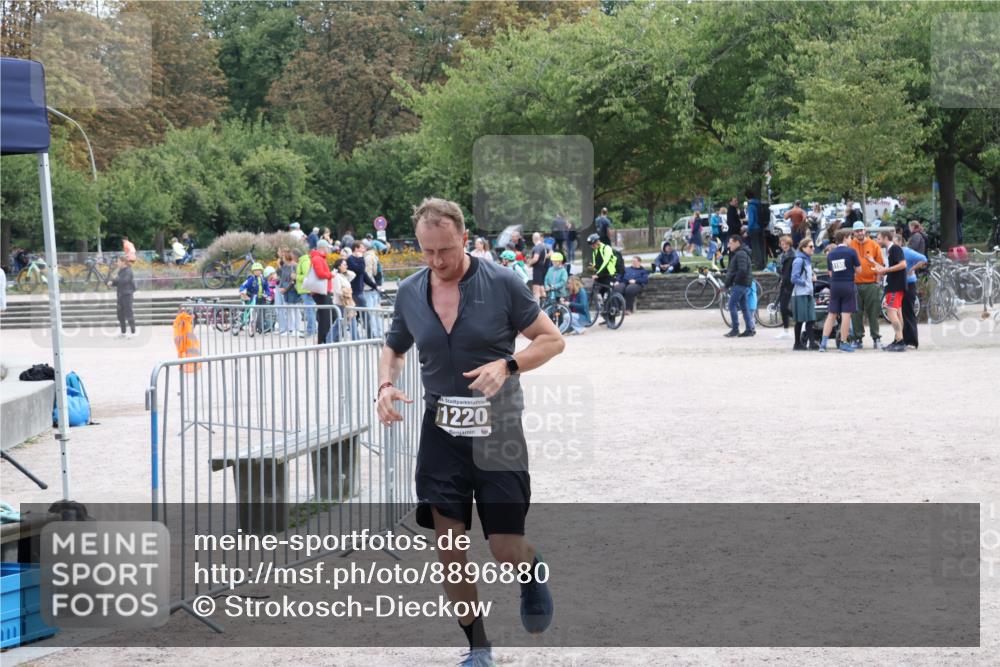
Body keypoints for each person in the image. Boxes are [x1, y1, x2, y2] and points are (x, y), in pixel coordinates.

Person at [377, 197, 563, 666]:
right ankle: (478, 647)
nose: (438, 261)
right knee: (451, 549)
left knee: (503, 547)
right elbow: (395, 348)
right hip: (441, 435)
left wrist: (508, 364)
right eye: (427, 251)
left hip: (497, 431)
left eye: (446, 250)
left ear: (464, 238)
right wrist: (385, 384)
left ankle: (531, 566)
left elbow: (552, 339)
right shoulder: (410, 291)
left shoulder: (501, 282)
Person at [819, 229, 861, 352]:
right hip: (847, 284)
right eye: (850, 237)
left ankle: (823, 343)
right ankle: (843, 342)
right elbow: (859, 270)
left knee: (831, 314)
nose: (851, 240)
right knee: (846, 314)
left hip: (835, 285)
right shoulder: (851, 252)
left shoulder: (831, 254)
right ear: (845, 238)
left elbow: (830, 273)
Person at [847, 221, 885, 349]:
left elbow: (880, 264)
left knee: (873, 313)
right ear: (854, 233)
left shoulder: (874, 245)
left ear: (865, 231)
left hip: (871, 284)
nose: (860, 233)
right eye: (857, 231)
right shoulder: (850, 245)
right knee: (856, 313)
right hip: (855, 284)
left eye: (861, 230)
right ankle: (857, 339)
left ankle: (876, 338)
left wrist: (877, 282)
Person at [872, 231, 908, 352]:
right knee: (897, 313)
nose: (877, 241)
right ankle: (898, 339)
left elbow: (903, 264)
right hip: (894, 285)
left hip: (895, 286)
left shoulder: (894, 249)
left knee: (891, 312)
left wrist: (887, 270)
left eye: (879, 238)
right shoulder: (890, 250)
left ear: (885, 238)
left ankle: (900, 341)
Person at [723, 235, 755, 337]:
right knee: (744, 307)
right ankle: (749, 329)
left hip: (740, 284)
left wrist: (734, 281)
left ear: (737, 243)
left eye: (731, 243)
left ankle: (735, 329)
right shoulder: (740, 253)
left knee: (731, 305)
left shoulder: (740, 253)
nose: (729, 245)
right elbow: (737, 269)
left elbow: (742, 270)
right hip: (743, 283)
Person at [790, 237, 818, 351]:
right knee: (800, 319)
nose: (813, 248)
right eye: (811, 246)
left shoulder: (806, 259)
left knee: (810, 319)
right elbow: (794, 278)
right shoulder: (799, 260)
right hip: (800, 294)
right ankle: (797, 344)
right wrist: (807, 282)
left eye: (813, 246)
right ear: (803, 248)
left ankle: (811, 343)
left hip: (807, 293)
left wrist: (811, 278)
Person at [899, 239, 928, 349]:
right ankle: (904, 339)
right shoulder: (897, 252)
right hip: (902, 284)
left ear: (900, 242)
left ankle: (912, 341)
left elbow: (923, 258)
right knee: (902, 313)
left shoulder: (906, 251)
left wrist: (913, 268)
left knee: (908, 312)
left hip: (909, 284)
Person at [348, 241, 379, 339]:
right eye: (362, 247)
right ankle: (370, 337)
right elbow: (360, 270)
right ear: (356, 248)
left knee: (355, 316)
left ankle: (355, 337)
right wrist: (361, 258)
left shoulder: (356, 259)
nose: (364, 249)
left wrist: (374, 286)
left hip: (358, 291)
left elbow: (364, 275)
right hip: (355, 292)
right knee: (365, 315)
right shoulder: (351, 260)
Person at [307, 240, 334, 345]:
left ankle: (324, 339)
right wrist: (331, 275)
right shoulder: (317, 259)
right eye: (327, 248)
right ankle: (322, 340)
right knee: (325, 317)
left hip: (322, 290)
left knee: (327, 315)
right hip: (321, 291)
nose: (329, 250)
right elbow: (321, 274)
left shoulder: (318, 258)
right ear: (323, 248)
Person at [108, 255, 136, 338]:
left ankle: (133, 332)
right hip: (120, 295)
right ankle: (123, 332)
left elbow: (124, 280)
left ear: (123, 262)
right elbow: (118, 282)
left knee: (128, 313)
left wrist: (115, 279)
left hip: (127, 295)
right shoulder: (120, 271)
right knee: (120, 314)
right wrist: (112, 283)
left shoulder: (128, 271)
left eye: (118, 261)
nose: (117, 263)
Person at [362, 240, 384, 337]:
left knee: (371, 312)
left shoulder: (367, 257)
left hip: (369, 287)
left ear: (365, 247)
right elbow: (375, 272)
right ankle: (380, 332)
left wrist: (366, 284)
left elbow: (368, 274)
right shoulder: (374, 255)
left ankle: (375, 334)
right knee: (376, 312)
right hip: (375, 285)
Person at [278, 248, 302, 336]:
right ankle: (290, 329)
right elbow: (282, 278)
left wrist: (285, 289)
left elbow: (293, 280)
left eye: (283, 256)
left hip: (292, 290)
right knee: (288, 310)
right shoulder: (284, 266)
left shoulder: (294, 266)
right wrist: (281, 288)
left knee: (295, 310)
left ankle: (297, 328)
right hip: (286, 290)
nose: (282, 258)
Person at [776, 235, 796, 340]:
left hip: (788, 284)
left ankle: (789, 328)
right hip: (786, 283)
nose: (783, 246)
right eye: (782, 244)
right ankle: (786, 329)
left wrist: (783, 282)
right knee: (783, 307)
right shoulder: (786, 254)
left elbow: (788, 273)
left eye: (785, 244)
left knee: (783, 306)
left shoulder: (791, 255)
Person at [295, 247, 317, 338]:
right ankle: (312, 329)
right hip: (305, 290)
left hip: (306, 290)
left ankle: (310, 331)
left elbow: (306, 277)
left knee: (310, 311)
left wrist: (296, 276)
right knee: (310, 311)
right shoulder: (304, 261)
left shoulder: (304, 262)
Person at [331, 257, 354, 342]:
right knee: (340, 322)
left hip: (346, 302)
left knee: (341, 322)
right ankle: (330, 338)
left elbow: (353, 275)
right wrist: (346, 293)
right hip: (341, 302)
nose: (346, 266)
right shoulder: (336, 276)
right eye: (344, 265)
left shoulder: (344, 275)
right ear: (339, 266)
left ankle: (334, 339)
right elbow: (337, 290)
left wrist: (346, 270)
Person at [526, 232, 550, 301]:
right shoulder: (543, 246)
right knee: (542, 289)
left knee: (536, 291)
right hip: (542, 269)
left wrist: (529, 264)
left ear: (533, 239)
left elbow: (535, 258)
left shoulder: (537, 247)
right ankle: (547, 305)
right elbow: (544, 258)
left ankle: (537, 308)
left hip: (537, 270)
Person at [746, 190, 765, 270]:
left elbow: (751, 220)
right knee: (760, 246)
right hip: (760, 227)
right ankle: (762, 263)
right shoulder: (758, 204)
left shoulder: (751, 206)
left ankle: (758, 265)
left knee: (755, 247)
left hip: (754, 228)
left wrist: (748, 230)